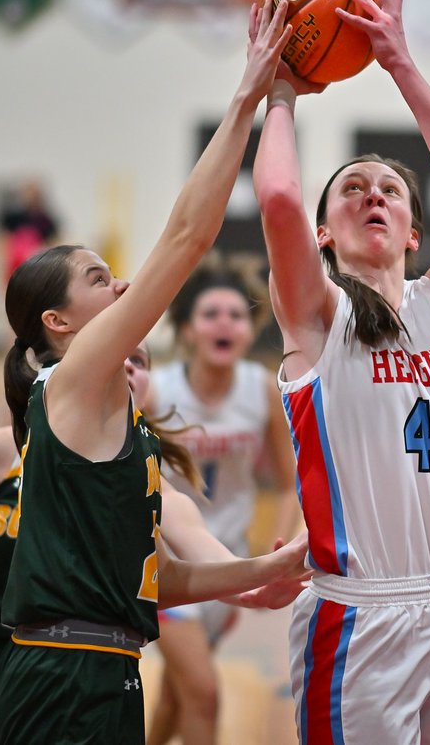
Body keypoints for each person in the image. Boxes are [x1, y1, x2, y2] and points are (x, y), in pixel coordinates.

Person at [0, 0, 309, 745]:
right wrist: (249, 97)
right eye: (101, 279)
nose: (124, 287)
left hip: (98, 668)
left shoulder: (109, 413)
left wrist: (259, 576)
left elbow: (150, 581)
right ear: (57, 324)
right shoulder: (69, 380)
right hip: (63, 677)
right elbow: (189, 237)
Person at [252, 0, 430, 744]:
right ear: (326, 235)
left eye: (389, 189)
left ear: (414, 233)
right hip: (361, 617)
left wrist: (400, 61)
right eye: (352, 189)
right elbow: (281, 201)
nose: (373, 196)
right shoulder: (318, 316)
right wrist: (282, 92)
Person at [0, 342, 306, 745]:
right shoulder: (1, 452)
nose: (126, 365)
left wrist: (259, 576)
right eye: (115, 353)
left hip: (54, 686)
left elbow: (185, 566)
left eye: (140, 361)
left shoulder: (152, 487)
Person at [147, 264, 302, 745]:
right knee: (205, 693)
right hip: (164, 564)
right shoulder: (156, 390)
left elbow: (289, 479)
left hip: (227, 564)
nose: (224, 323)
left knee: (180, 693)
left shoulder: (261, 389)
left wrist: (274, 551)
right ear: (189, 330)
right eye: (210, 313)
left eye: (236, 315)